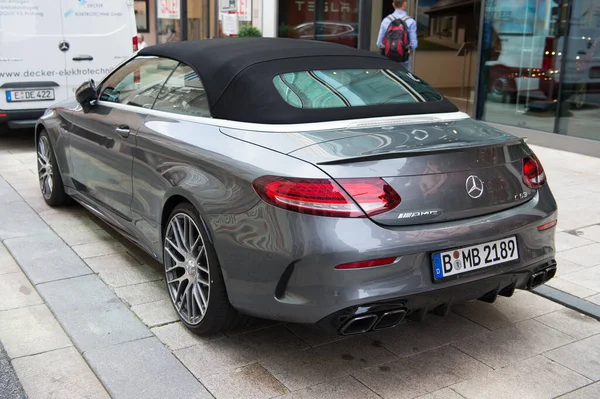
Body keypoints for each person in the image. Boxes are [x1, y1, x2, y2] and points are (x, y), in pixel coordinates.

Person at [377, 0, 418, 72]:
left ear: (393, 4)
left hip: (388, 58)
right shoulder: (411, 21)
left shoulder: (386, 20)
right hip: (403, 59)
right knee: (406, 80)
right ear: (405, 4)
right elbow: (414, 44)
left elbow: (379, 43)